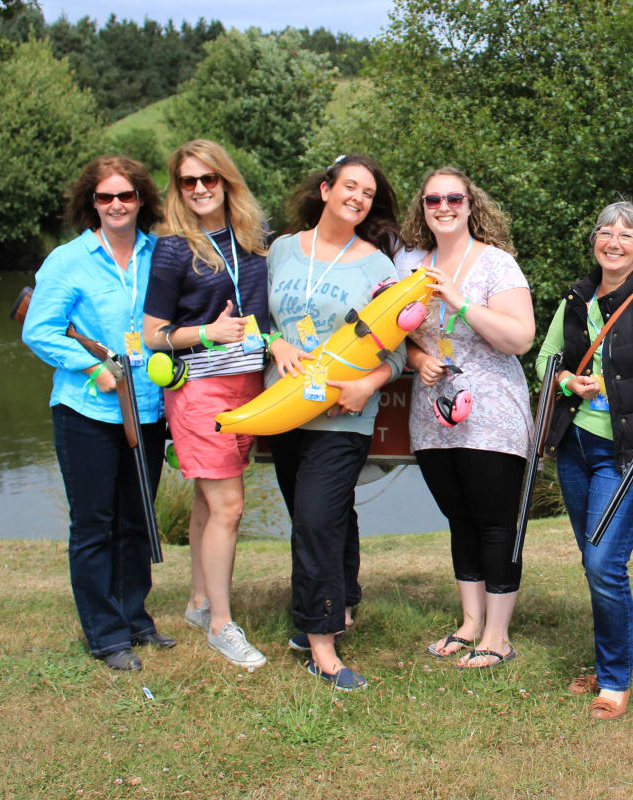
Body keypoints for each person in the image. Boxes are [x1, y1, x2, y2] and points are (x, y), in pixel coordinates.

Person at [536, 201, 633, 720]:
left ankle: (615, 677)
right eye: (605, 231)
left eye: (626, 235)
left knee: (605, 562)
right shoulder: (577, 298)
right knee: (593, 561)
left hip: (626, 454)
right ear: (594, 242)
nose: (614, 241)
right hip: (577, 446)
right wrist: (567, 382)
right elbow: (545, 359)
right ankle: (611, 662)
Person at [263, 154, 405, 691]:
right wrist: (274, 341)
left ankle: (319, 641)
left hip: (345, 417)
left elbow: (396, 351)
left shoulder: (379, 268)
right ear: (325, 190)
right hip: (285, 410)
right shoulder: (279, 251)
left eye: (368, 193)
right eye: (350, 186)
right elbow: (259, 318)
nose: (358, 198)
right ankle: (343, 597)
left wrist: (368, 385)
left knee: (316, 520)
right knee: (327, 513)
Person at [22, 155, 170, 671]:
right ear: (92, 203)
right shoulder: (68, 260)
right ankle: (105, 634)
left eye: (126, 196)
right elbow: (38, 330)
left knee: (136, 519)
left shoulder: (161, 254)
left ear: (141, 202)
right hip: (86, 410)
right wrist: (92, 368)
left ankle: (134, 617)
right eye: (105, 197)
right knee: (94, 524)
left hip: (147, 409)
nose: (116, 205)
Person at [396, 167, 536, 668]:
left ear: (470, 204)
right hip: (434, 410)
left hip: (493, 410)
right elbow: (399, 334)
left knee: (495, 522)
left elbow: (520, 338)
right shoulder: (411, 263)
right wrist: (417, 358)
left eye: (454, 197)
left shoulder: (497, 264)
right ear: (423, 208)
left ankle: (498, 634)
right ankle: (470, 622)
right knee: (459, 519)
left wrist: (457, 298)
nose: (444, 206)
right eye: (433, 199)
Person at [142, 139, 271, 671]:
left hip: (248, 386)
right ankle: (222, 624)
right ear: (178, 189)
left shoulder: (254, 239)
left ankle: (198, 601)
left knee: (205, 501)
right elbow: (152, 335)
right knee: (229, 506)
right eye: (187, 182)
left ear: (226, 182)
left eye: (208, 179)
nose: (198, 190)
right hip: (198, 390)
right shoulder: (174, 248)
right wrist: (207, 332)